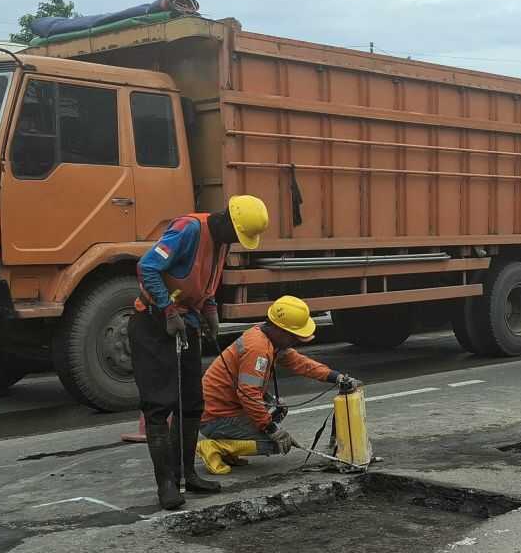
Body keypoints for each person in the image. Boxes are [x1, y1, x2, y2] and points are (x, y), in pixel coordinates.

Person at [130, 194, 270, 510]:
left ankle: (187, 475)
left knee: (192, 403)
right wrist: (167, 310)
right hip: (153, 324)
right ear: (227, 221)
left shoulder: (222, 242)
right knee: (159, 404)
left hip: (187, 322)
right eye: (237, 235)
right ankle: (167, 484)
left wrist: (210, 310)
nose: (236, 241)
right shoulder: (188, 229)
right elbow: (147, 267)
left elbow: (205, 283)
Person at [196, 296, 361, 474]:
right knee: (276, 444)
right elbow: (248, 394)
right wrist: (271, 429)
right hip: (214, 417)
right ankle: (216, 446)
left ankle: (230, 446)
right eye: (294, 337)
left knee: (279, 408)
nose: (295, 341)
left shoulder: (268, 339)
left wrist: (336, 377)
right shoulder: (257, 349)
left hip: (224, 408)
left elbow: (300, 363)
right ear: (280, 330)